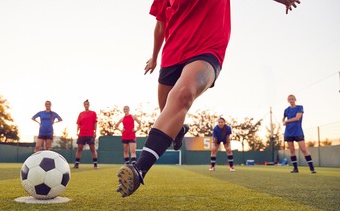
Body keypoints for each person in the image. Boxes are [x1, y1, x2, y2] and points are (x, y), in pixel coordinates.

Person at [116, 0, 301, 197]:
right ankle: (178, 131)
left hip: (207, 49)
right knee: (168, 114)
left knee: (183, 95)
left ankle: (139, 169)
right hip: (172, 55)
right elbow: (160, 25)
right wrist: (154, 57)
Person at [282, 94, 316, 173]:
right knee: (292, 150)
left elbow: (297, 118)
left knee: (303, 149)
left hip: (297, 131)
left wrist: (287, 121)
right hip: (288, 132)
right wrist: (284, 122)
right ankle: (295, 169)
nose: (291, 101)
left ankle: (312, 168)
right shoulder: (286, 110)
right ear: (288, 101)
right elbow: (283, 118)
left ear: (295, 99)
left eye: (292, 99)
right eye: (289, 99)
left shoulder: (299, 107)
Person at [74, 99, 98, 168]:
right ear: (83, 105)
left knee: (92, 148)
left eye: (87, 104)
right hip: (82, 133)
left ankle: (95, 164)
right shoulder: (81, 114)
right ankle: (76, 164)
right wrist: (77, 131)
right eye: (85, 104)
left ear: (89, 105)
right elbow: (78, 124)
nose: (86, 105)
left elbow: (95, 123)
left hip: (90, 133)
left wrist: (95, 132)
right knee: (79, 148)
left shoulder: (93, 113)